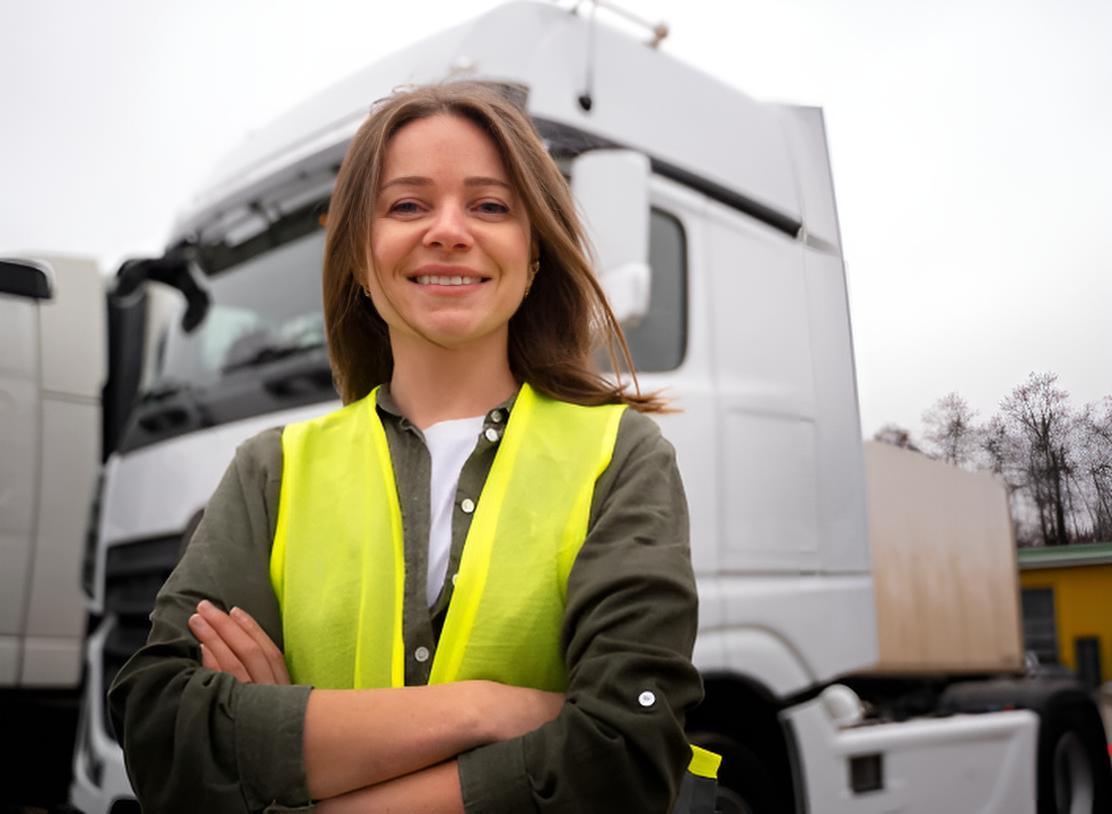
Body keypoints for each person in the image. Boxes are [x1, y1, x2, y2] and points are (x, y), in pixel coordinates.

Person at [109, 81, 708, 813]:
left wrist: (293, 755)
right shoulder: (272, 469)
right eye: (407, 205)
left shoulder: (621, 455)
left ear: (536, 255)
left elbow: (628, 745)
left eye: (490, 206)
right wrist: (486, 710)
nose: (449, 230)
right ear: (361, 256)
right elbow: (161, 729)